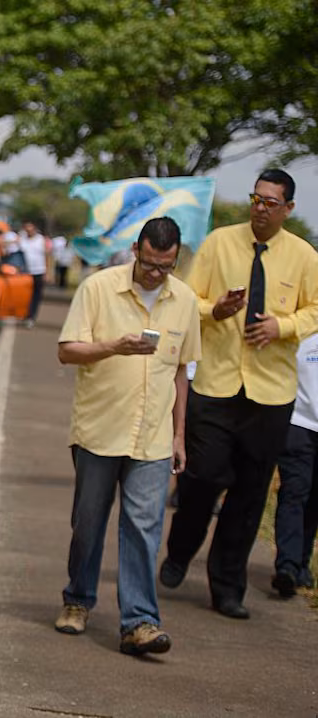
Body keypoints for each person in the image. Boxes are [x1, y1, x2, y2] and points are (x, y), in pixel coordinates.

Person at [161, 169, 318, 619]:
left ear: (288, 208)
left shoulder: (304, 256)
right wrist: (215, 309)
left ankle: (227, 587)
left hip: (270, 394)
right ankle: (180, 550)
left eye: (271, 202)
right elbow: (187, 297)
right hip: (216, 384)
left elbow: (315, 309)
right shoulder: (220, 243)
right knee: (202, 479)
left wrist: (282, 326)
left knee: (249, 494)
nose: (261, 208)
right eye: (256, 199)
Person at [55, 217, 201, 656]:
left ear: (176, 260)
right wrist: (113, 347)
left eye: (166, 267)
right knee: (88, 524)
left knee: (144, 528)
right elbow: (67, 351)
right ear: (136, 250)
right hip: (100, 430)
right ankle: (78, 600)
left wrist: (179, 435)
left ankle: (139, 622)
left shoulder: (185, 300)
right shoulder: (98, 288)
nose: (156, 274)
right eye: (150, 264)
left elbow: (181, 372)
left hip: (154, 437)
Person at [271, 331, 318, 597]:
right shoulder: (303, 331)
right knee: (294, 491)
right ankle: (287, 566)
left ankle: (301, 561)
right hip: (298, 423)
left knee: (314, 499)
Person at [18, 220, 49, 327]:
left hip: (39, 271)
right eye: (27, 228)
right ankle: (24, 314)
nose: (29, 230)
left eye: (30, 228)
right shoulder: (22, 239)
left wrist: (47, 272)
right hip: (25, 272)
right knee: (25, 295)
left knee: (36, 295)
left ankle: (31, 317)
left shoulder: (41, 240)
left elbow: (46, 255)